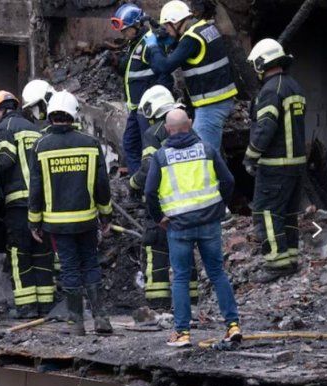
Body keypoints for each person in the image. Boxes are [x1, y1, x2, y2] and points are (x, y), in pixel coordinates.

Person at [145, 109, 240, 347]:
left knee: (181, 278)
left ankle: (183, 333)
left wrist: (159, 218)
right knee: (217, 273)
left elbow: (148, 192)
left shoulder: (161, 156)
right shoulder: (207, 149)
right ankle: (233, 325)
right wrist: (220, 206)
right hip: (209, 222)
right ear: (189, 124)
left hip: (178, 225)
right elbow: (228, 181)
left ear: (167, 129)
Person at [28, 90, 113, 335]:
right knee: (90, 264)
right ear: (74, 114)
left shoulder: (41, 146)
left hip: (57, 224)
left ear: (51, 114)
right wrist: (105, 216)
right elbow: (102, 185)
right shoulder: (90, 143)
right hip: (86, 220)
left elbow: (36, 189)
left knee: (69, 268)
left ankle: (76, 323)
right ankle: (101, 319)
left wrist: (34, 221)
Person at [129, 85, 199, 308]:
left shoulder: (154, 133)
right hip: (189, 202)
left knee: (156, 247)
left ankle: (158, 302)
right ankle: (191, 299)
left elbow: (148, 167)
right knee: (185, 248)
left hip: (164, 201)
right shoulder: (190, 129)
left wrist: (133, 183)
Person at [0, 90, 55, 319]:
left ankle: (26, 307)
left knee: (19, 252)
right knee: (43, 250)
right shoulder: (34, 129)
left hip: (18, 202)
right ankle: (46, 304)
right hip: (43, 202)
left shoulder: (5, 128)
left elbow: (5, 160)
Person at [244, 38, 306, 283]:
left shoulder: (271, 91)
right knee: (288, 213)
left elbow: (265, 126)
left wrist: (251, 154)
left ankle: (277, 263)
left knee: (266, 212)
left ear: (261, 63)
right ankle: (290, 258)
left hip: (276, 164)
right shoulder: (294, 86)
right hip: (296, 163)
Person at [144, 0, 237, 154]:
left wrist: (154, 46)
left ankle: (215, 178)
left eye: (167, 25)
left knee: (204, 154)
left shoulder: (191, 39)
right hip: (219, 99)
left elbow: (164, 67)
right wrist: (173, 43)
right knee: (211, 150)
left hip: (211, 104)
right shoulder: (204, 27)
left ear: (176, 22)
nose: (166, 30)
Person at [111, 4, 173, 175]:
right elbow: (131, 70)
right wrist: (116, 63)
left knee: (150, 148)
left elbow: (164, 73)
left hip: (148, 110)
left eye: (126, 29)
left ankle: (150, 185)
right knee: (130, 144)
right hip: (136, 108)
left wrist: (160, 105)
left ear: (137, 25)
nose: (123, 33)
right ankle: (137, 184)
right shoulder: (135, 43)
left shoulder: (148, 43)